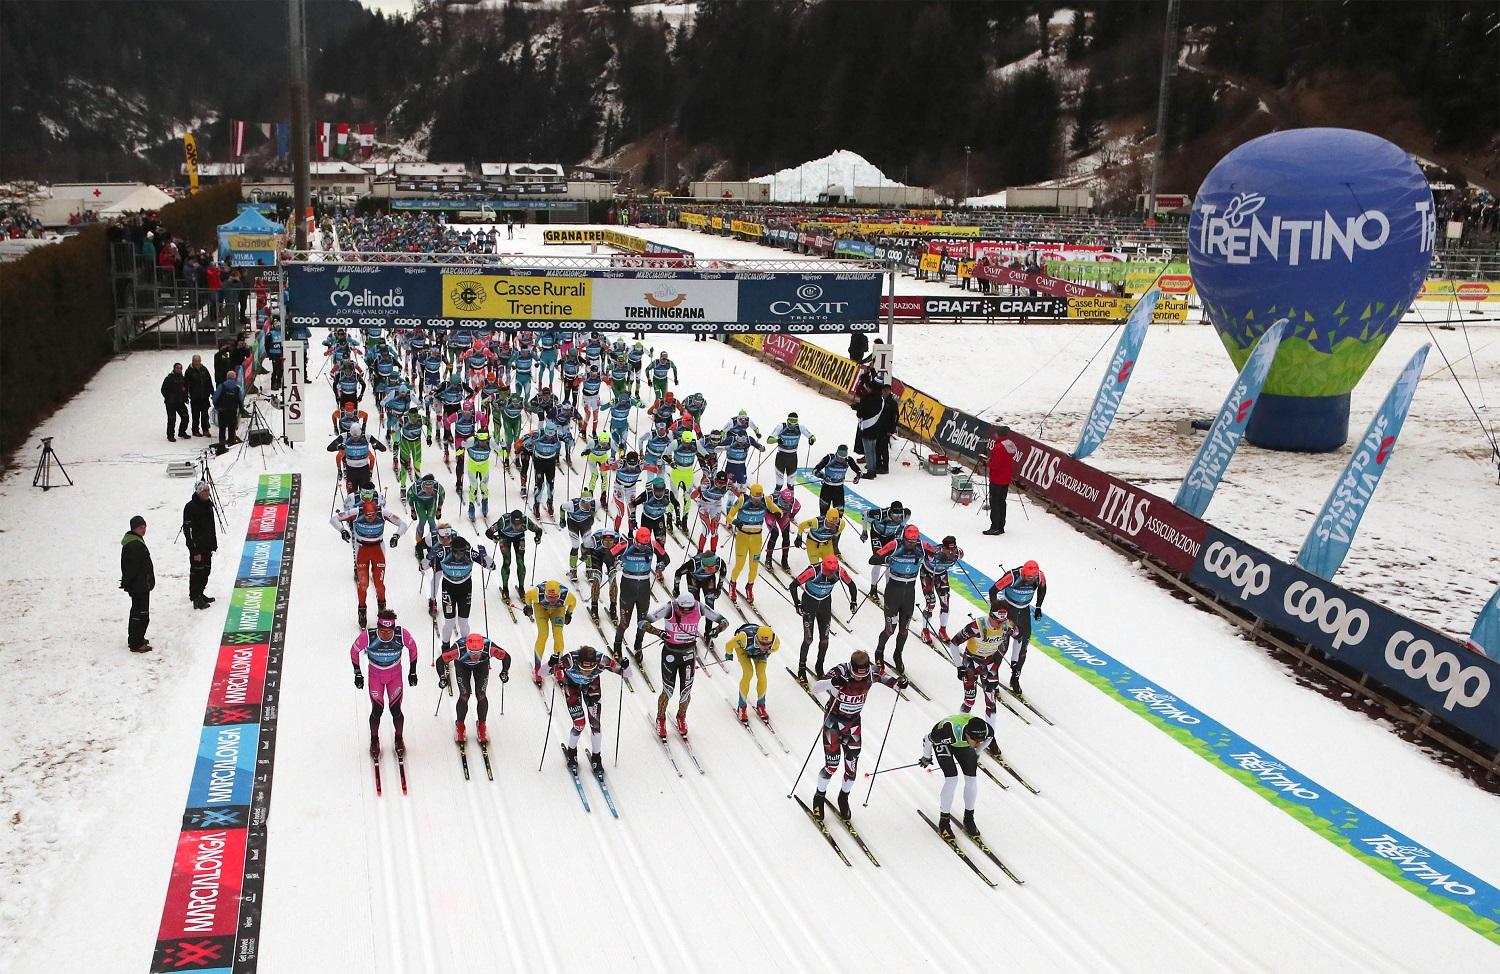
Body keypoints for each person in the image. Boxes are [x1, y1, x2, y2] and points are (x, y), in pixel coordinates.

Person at [809, 650, 905, 821]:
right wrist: (832, 682)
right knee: (831, 766)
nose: (860, 678)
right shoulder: (840, 671)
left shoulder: (872, 671)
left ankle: (843, 797)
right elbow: (815, 688)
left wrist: (901, 683)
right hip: (833, 723)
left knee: (852, 768)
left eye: (863, 675)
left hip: (853, 725)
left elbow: (892, 683)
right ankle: (819, 796)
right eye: (856, 675)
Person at [643, 591, 726, 739]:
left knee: (686, 691)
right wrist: (659, 633)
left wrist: (716, 630)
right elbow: (643, 622)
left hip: (688, 654)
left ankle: (681, 717)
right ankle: (660, 719)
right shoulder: (670, 607)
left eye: (690, 609)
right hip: (670, 653)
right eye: (683, 609)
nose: (687, 612)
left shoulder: (699, 607)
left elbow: (724, 621)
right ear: (678, 604)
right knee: (668, 690)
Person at [349, 608, 420, 758]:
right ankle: (374, 740)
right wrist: (358, 674)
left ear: (393, 628)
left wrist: (412, 671)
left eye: (389, 631)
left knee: (396, 710)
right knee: (377, 710)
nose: (386, 634)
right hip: (375, 676)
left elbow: (413, 649)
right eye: (382, 631)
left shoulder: (401, 634)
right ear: (378, 628)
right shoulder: (369, 636)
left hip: (395, 676)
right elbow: (353, 651)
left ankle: (399, 738)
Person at [548, 645, 630, 773]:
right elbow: (541, 673)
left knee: (595, 724)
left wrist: (626, 666)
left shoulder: (602, 659)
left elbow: (627, 674)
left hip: (592, 687)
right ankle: (572, 752)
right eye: (583, 668)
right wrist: (550, 664)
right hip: (571, 686)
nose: (587, 672)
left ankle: (596, 757)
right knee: (579, 724)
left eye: (591, 668)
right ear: (578, 663)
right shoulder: (570, 659)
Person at [919, 714, 994, 839]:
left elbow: (988, 739)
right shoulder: (946, 732)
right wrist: (927, 756)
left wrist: (977, 751)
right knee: (952, 779)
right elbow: (927, 739)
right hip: (947, 741)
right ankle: (944, 822)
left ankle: (969, 819)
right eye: (975, 740)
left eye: (979, 741)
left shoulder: (987, 731)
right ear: (968, 735)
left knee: (971, 779)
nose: (977, 743)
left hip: (962, 744)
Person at [789, 555, 857, 679]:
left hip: (825, 604)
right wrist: (797, 604)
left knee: (825, 640)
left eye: (832, 572)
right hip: (809, 603)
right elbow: (793, 585)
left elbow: (852, 585)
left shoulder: (840, 571)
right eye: (827, 572)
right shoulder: (813, 571)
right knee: (808, 639)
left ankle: (819, 666)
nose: (830, 575)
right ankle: (801, 668)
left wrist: (853, 601)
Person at [439, 632, 512, 745]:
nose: (475, 656)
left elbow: (506, 657)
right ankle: (460, 726)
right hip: (462, 666)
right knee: (464, 695)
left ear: (482, 648)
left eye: (478, 652)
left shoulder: (489, 647)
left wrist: (504, 671)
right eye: (472, 652)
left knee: (481, 695)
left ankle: (482, 726)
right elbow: (440, 661)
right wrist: (442, 677)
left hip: (481, 666)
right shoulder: (459, 648)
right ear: (467, 649)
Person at [987, 560, 1047, 692]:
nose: (1028, 579)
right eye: (1026, 576)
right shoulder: (1012, 576)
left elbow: (1043, 589)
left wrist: (1038, 607)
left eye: (1032, 577)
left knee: (1022, 649)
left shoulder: (1040, 576)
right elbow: (993, 591)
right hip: (1009, 611)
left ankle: (1015, 679)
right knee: (1002, 647)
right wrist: (996, 610)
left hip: (1024, 612)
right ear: (1023, 572)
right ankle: (992, 678)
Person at [523, 579, 578, 684]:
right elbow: (528, 596)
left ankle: (558, 667)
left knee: (558, 635)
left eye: (555, 597)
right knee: (543, 635)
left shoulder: (566, 595)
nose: (552, 600)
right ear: (545, 593)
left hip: (558, 610)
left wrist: (568, 614)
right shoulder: (537, 593)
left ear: (559, 594)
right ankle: (537, 668)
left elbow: (573, 602)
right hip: (541, 609)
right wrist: (528, 606)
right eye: (549, 597)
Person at [724, 623, 779, 722]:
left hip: (759, 654)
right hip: (743, 650)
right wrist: (729, 654)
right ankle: (742, 707)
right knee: (748, 673)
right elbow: (729, 645)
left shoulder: (775, 641)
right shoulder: (744, 638)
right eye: (762, 644)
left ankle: (761, 705)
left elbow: (774, 649)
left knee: (761, 675)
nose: (764, 646)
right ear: (757, 638)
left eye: (767, 644)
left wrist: (765, 652)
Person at [119, 515, 155, 653]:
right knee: (141, 614)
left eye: (145, 527)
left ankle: (136, 639)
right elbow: (133, 568)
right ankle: (136, 643)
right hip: (139, 586)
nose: (144, 530)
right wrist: (131, 583)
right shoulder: (135, 545)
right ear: (134, 528)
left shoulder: (134, 541)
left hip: (139, 585)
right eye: (141, 527)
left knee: (137, 612)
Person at [182, 479, 218, 610]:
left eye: (208, 490)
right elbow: (188, 531)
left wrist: (213, 543)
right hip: (197, 547)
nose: (208, 493)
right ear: (198, 492)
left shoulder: (208, 505)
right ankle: (195, 597)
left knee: (206, 570)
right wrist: (194, 550)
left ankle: (201, 593)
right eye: (204, 491)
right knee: (197, 571)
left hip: (207, 545)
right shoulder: (191, 507)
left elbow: (211, 527)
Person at [983, 428, 1021, 535]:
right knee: (1001, 502)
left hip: (997, 478)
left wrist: (988, 462)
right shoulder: (1010, 444)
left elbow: (995, 464)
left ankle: (995, 527)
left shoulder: (998, 447)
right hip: (1005, 478)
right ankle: (1001, 526)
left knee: (994, 503)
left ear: (997, 434)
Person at [185, 354, 214, 437]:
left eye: (199, 361)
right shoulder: (189, 371)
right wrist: (186, 395)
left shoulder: (204, 370)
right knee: (195, 415)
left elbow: (209, 381)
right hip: (195, 397)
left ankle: (205, 430)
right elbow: (185, 384)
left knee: (205, 414)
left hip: (204, 396)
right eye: (196, 361)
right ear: (192, 361)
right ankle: (195, 430)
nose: (197, 363)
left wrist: (212, 392)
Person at [213, 374, 243, 450]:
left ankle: (222, 443)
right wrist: (241, 409)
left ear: (227, 377)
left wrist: (216, 406)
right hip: (232, 411)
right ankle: (231, 441)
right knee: (231, 427)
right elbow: (240, 399)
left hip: (222, 411)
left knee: (222, 427)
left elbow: (215, 397)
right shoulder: (237, 388)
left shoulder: (221, 386)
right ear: (234, 378)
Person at [161, 362, 190, 441]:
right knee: (172, 419)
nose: (179, 369)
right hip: (170, 403)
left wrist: (185, 397)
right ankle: (170, 435)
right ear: (174, 369)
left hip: (180, 402)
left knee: (185, 417)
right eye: (177, 368)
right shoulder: (169, 378)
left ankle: (182, 432)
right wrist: (169, 397)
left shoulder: (182, 378)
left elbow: (185, 389)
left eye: (180, 368)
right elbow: (163, 390)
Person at [875, 383, 899, 475]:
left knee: (883, 448)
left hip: (886, 430)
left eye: (886, 390)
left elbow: (895, 417)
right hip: (878, 428)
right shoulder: (880, 400)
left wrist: (891, 430)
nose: (884, 392)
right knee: (877, 447)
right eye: (883, 390)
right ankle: (877, 464)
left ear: (889, 391)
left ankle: (885, 467)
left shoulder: (892, 403)